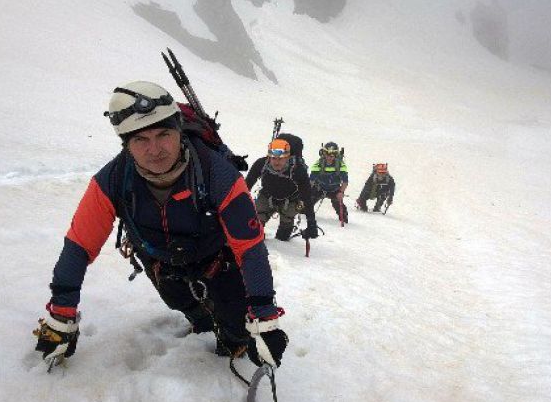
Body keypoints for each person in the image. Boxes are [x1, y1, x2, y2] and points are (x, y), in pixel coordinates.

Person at [34, 81, 288, 370]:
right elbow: (79, 246)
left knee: (236, 329)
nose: (154, 149)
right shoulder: (113, 181)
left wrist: (264, 317)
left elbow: (251, 249)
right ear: (126, 145)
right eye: (141, 139)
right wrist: (61, 315)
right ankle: (202, 321)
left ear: (179, 131)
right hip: (161, 261)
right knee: (179, 302)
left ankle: (232, 335)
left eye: (163, 134)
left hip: (218, 258)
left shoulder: (217, 175)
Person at [245, 138, 318, 241]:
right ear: (269, 157)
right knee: (253, 230)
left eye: (281, 158)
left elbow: (307, 197)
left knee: (282, 237)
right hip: (267, 197)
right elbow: (246, 186)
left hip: (290, 201)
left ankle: (285, 229)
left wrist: (312, 223)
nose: (277, 162)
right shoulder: (261, 164)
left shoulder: (298, 170)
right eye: (274, 158)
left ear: (288, 157)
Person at [309, 141, 349, 223]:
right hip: (319, 188)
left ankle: (344, 219)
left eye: (332, 154)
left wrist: (341, 192)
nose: (330, 157)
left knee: (342, 212)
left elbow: (345, 181)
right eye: (327, 154)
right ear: (323, 154)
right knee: (307, 205)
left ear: (336, 154)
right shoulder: (318, 164)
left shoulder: (341, 165)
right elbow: (311, 180)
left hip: (335, 190)